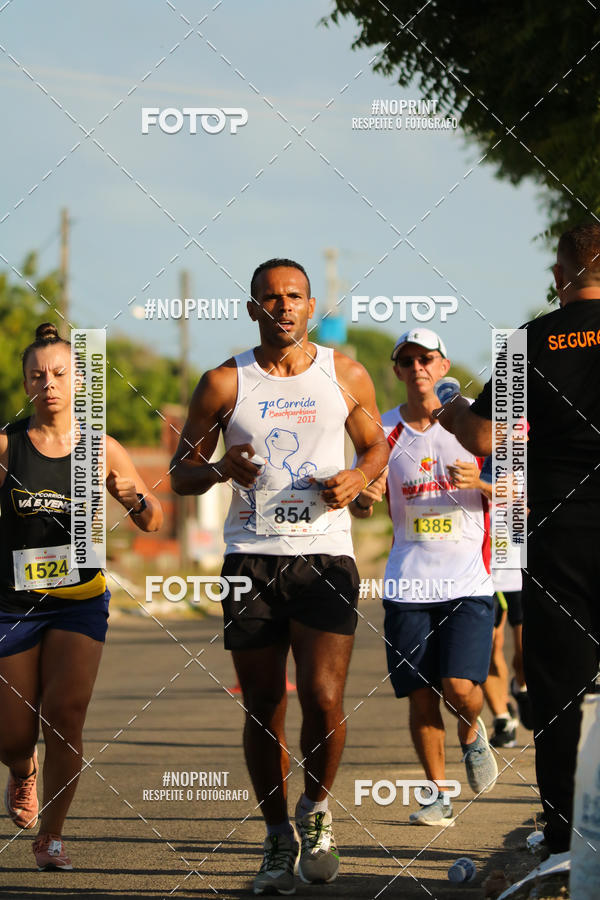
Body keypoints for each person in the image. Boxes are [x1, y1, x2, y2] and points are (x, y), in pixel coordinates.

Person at [170, 258, 389, 894]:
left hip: (325, 556)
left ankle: (316, 812)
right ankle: (274, 836)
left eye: (294, 296)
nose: (284, 307)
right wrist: (219, 469)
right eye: (271, 297)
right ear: (253, 308)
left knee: (323, 698)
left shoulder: (342, 373)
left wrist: (359, 475)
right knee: (265, 703)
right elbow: (181, 473)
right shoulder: (222, 382)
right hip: (251, 558)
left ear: (310, 303)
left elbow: (376, 444)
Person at [435, 222, 600, 857]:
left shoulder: (527, 341)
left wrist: (450, 409)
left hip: (560, 535)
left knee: (559, 691)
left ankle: (566, 842)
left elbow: (480, 440)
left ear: (561, 277)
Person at [0, 323, 163, 871]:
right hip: (14, 602)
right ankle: (21, 771)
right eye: (37, 376)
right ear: (25, 385)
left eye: (60, 374)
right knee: (14, 733)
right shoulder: (7, 445)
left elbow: (152, 519)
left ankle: (51, 835)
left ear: (78, 381)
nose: (49, 384)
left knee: (65, 716)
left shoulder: (103, 448)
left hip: (79, 599)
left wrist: (134, 498)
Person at [350, 327, 497, 827]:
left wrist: (482, 481)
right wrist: (364, 501)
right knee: (419, 692)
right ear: (396, 371)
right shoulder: (383, 432)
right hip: (408, 582)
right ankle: (438, 793)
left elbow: (520, 494)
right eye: (407, 361)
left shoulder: (475, 423)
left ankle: (473, 729)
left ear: (442, 364)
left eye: (426, 359)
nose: (417, 368)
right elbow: (363, 503)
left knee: (459, 687)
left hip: (468, 580)